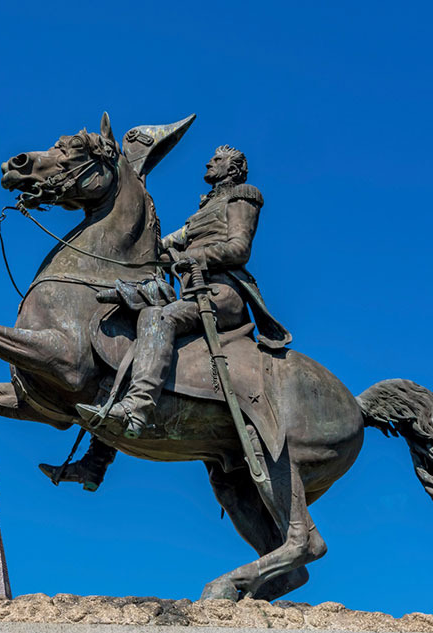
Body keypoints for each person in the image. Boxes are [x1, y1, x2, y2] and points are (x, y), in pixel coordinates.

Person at [41, 145, 291, 488]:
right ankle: (95, 463)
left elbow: (238, 248)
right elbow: (163, 247)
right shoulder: (202, 211)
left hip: (222, 294)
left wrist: (192, 257)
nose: (209, 161)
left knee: (158, 320)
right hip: (192, 292)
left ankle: (138, 407)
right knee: (124, 342)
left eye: (217, 159)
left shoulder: (243, 197)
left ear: (234, 168)